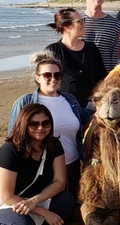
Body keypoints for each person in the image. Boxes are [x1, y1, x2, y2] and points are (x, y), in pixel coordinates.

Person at [9, 53, 86, 199]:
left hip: (73, 166)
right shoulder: (25, 102)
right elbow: (15, 138)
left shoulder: (70, 100)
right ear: (37, 78)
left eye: (57, 75)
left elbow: (84, 119)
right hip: (42, 168)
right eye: (47, 75)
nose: (53, 79)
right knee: (46, 207)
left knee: (70, 205)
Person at [45, 8, 106, 108]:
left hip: (92, 107)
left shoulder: (91, 48)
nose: (84, 24)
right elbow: (47, 82)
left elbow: (102, 77)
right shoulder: (52, 51)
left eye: (83, 20)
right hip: (65, 106)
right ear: (66, 26)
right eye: (79, 21)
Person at [79, 0, 120, 72]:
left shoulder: (114, 24)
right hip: (81, 76)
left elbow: (113, 56)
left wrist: (112, 76)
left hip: (105, 76)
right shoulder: (75, 21)